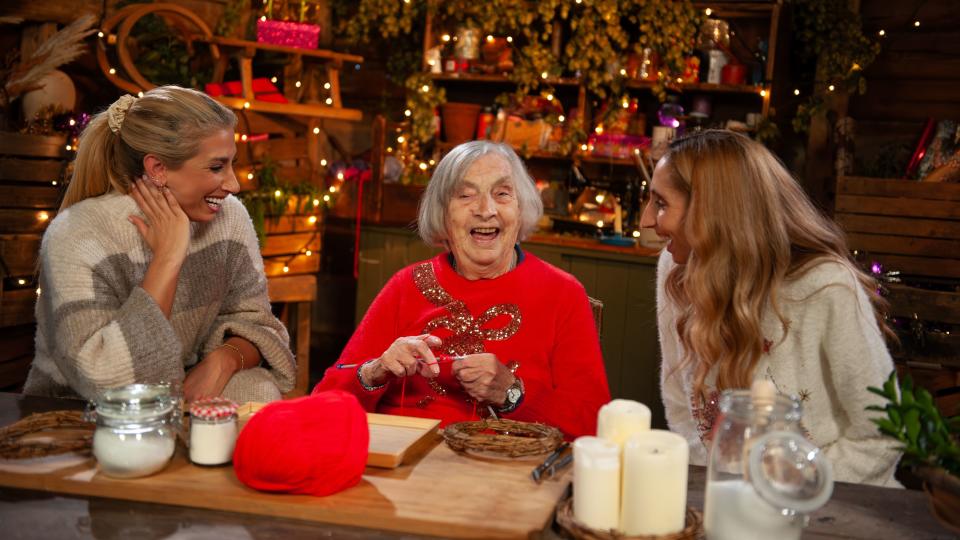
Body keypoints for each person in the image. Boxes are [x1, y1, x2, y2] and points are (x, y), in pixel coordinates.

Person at [641, 130, 901, 486]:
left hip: (836, 507)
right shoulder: (675, 269)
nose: (645, 220)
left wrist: (782, 492)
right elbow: (681, 407)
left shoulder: (826, 287)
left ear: (712, 213)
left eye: (660, 203)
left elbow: (881, 435)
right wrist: (718, 494)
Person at [312, 141, 609, 438]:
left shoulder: (562, 294)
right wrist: (374, 372)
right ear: (442, 215)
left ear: (521, 210)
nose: (485, 210)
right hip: (404, 465)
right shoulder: (406, 285)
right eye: (465, 195)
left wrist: (513, 393)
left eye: (502, 194)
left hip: (508, 471)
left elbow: (592, 424)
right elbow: (323, 403)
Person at [25, 86, 296, 404]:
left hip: (172, 392)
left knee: (256, 391)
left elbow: (255, 322)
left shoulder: (228, 218)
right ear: (158, 169)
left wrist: (226, 359)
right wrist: (168, 258)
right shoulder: (77, 235)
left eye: (231, 164)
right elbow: (106, 381)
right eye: (216, 167)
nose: (234, 184)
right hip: (75, 407)